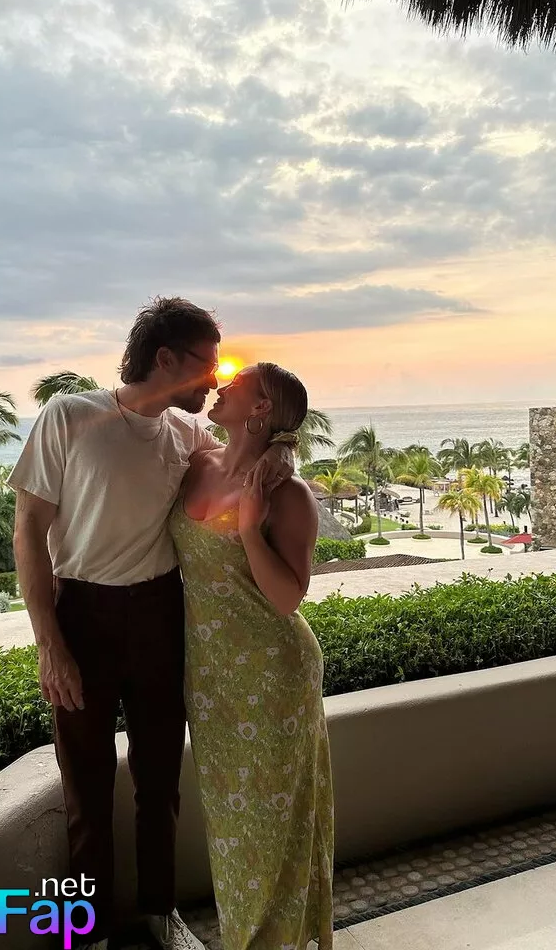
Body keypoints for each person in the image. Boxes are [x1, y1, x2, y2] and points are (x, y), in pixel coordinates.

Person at [9, 298, 292, 950]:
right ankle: (87, 931)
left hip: (161, 614)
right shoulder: (70, 416)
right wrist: (50, 644)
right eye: (207, 365)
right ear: (164, 358)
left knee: (159, 780)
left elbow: (246, 457)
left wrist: (284, 453)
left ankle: (160, 915)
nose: (215, 381)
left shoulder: (184, 433)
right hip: (82, 614)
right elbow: (27, 530)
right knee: (85, 786)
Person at [168, 362, 335, 950]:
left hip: (273, 674)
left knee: (270, 821)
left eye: (235, 385)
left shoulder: (287, 495)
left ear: (261, 409)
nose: (220, 387)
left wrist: (247, 530)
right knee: (230, 822)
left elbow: (288, 598)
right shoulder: (198, 463)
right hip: (209, 675)